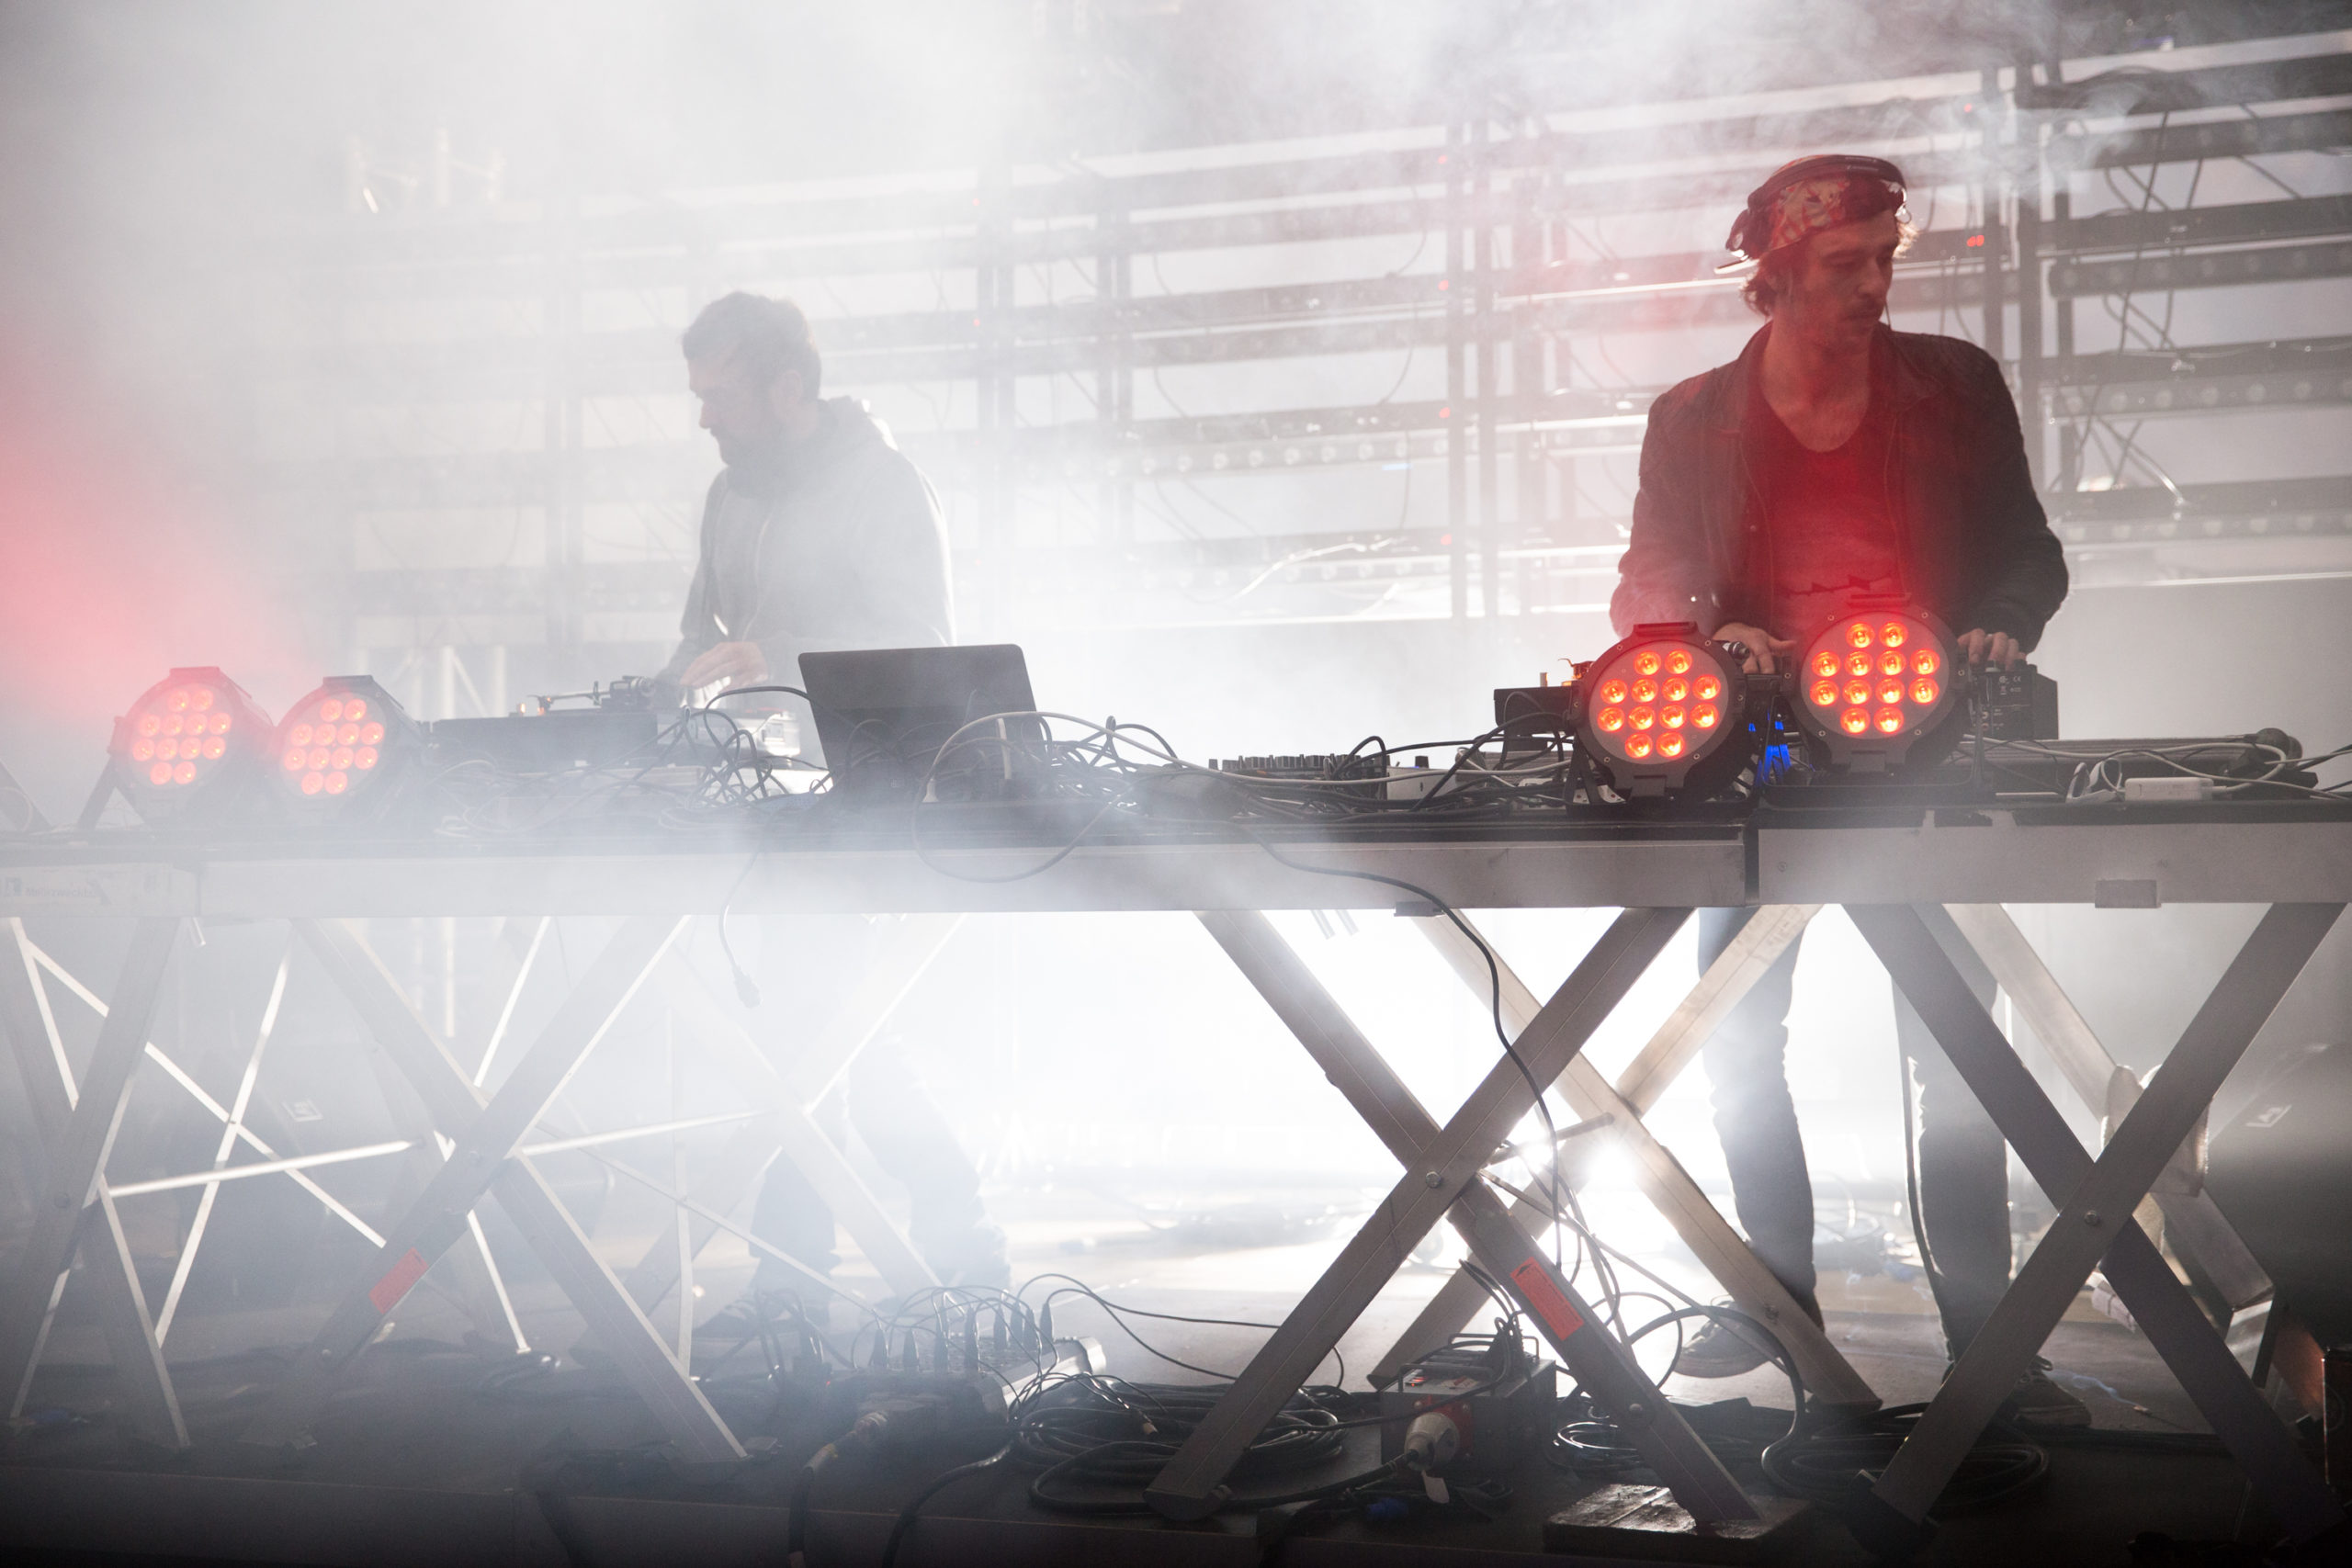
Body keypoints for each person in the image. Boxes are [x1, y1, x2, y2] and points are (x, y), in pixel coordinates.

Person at [1609, 156, 2080, 1422]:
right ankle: (1779, 1310)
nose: (1873, 285)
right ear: (1773, 274)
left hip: (1917, 755)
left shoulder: (1954, 385)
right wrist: (1706, 639)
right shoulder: (1691, 418)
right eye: (1843, 264)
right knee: (1736, 1047)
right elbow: (1645, 578)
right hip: (1753, 773)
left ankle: (1992, 1349)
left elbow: (2029, 552)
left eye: (1885, 258)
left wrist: (1997, 621)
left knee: (1957, 1051)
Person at [662, 292, 1007, 1292]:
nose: (704, 419)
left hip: (872, 798)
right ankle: (935, 1250)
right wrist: (665, 695)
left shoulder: (885, 486)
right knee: (829, 1036)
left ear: (789, 388)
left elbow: (924, 648)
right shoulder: (728, 497)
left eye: (722, 396)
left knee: (812, 1037)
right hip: (770, 797)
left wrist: (777, 653)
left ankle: (808, 1283)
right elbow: (698, 635)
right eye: (698, 396)